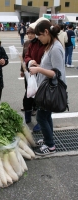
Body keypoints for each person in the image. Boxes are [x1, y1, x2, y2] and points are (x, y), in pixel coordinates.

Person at [29, 20, 66, 156]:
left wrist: (38, 69)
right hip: (47, 88)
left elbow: (56, 73)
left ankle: (50, 146)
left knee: (41, 117)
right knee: (46, 115)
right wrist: (38, 65)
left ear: (46, 32)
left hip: (50, 89)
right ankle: (47, 140)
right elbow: (50, 67)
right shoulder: (52, 45)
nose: (39, 39)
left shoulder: (55, 48)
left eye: (40, 36)